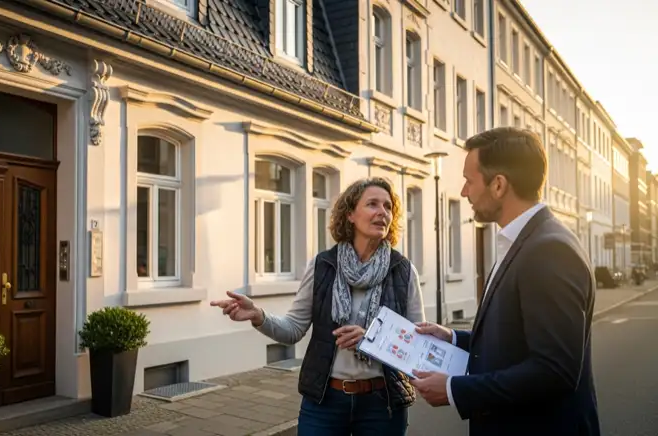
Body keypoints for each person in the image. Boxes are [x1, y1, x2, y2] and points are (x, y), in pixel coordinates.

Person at [410, 127, 600, 436]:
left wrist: (456, 390)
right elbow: (517, 339)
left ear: (498, 185)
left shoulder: (548, 250)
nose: (463, 192)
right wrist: (454, 338)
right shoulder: (526, 240)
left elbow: (555, 371)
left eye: (469, 181)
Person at [211, 177, 425, 435]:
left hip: (382, 404)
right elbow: (293, 328)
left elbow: (416, 344)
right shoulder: (323, 266)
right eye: (372, 204)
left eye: (388, 206)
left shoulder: (403, 271)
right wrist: (258, 316)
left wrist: (372, 339)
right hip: (325, 401)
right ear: (350, 215)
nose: (382, 212)